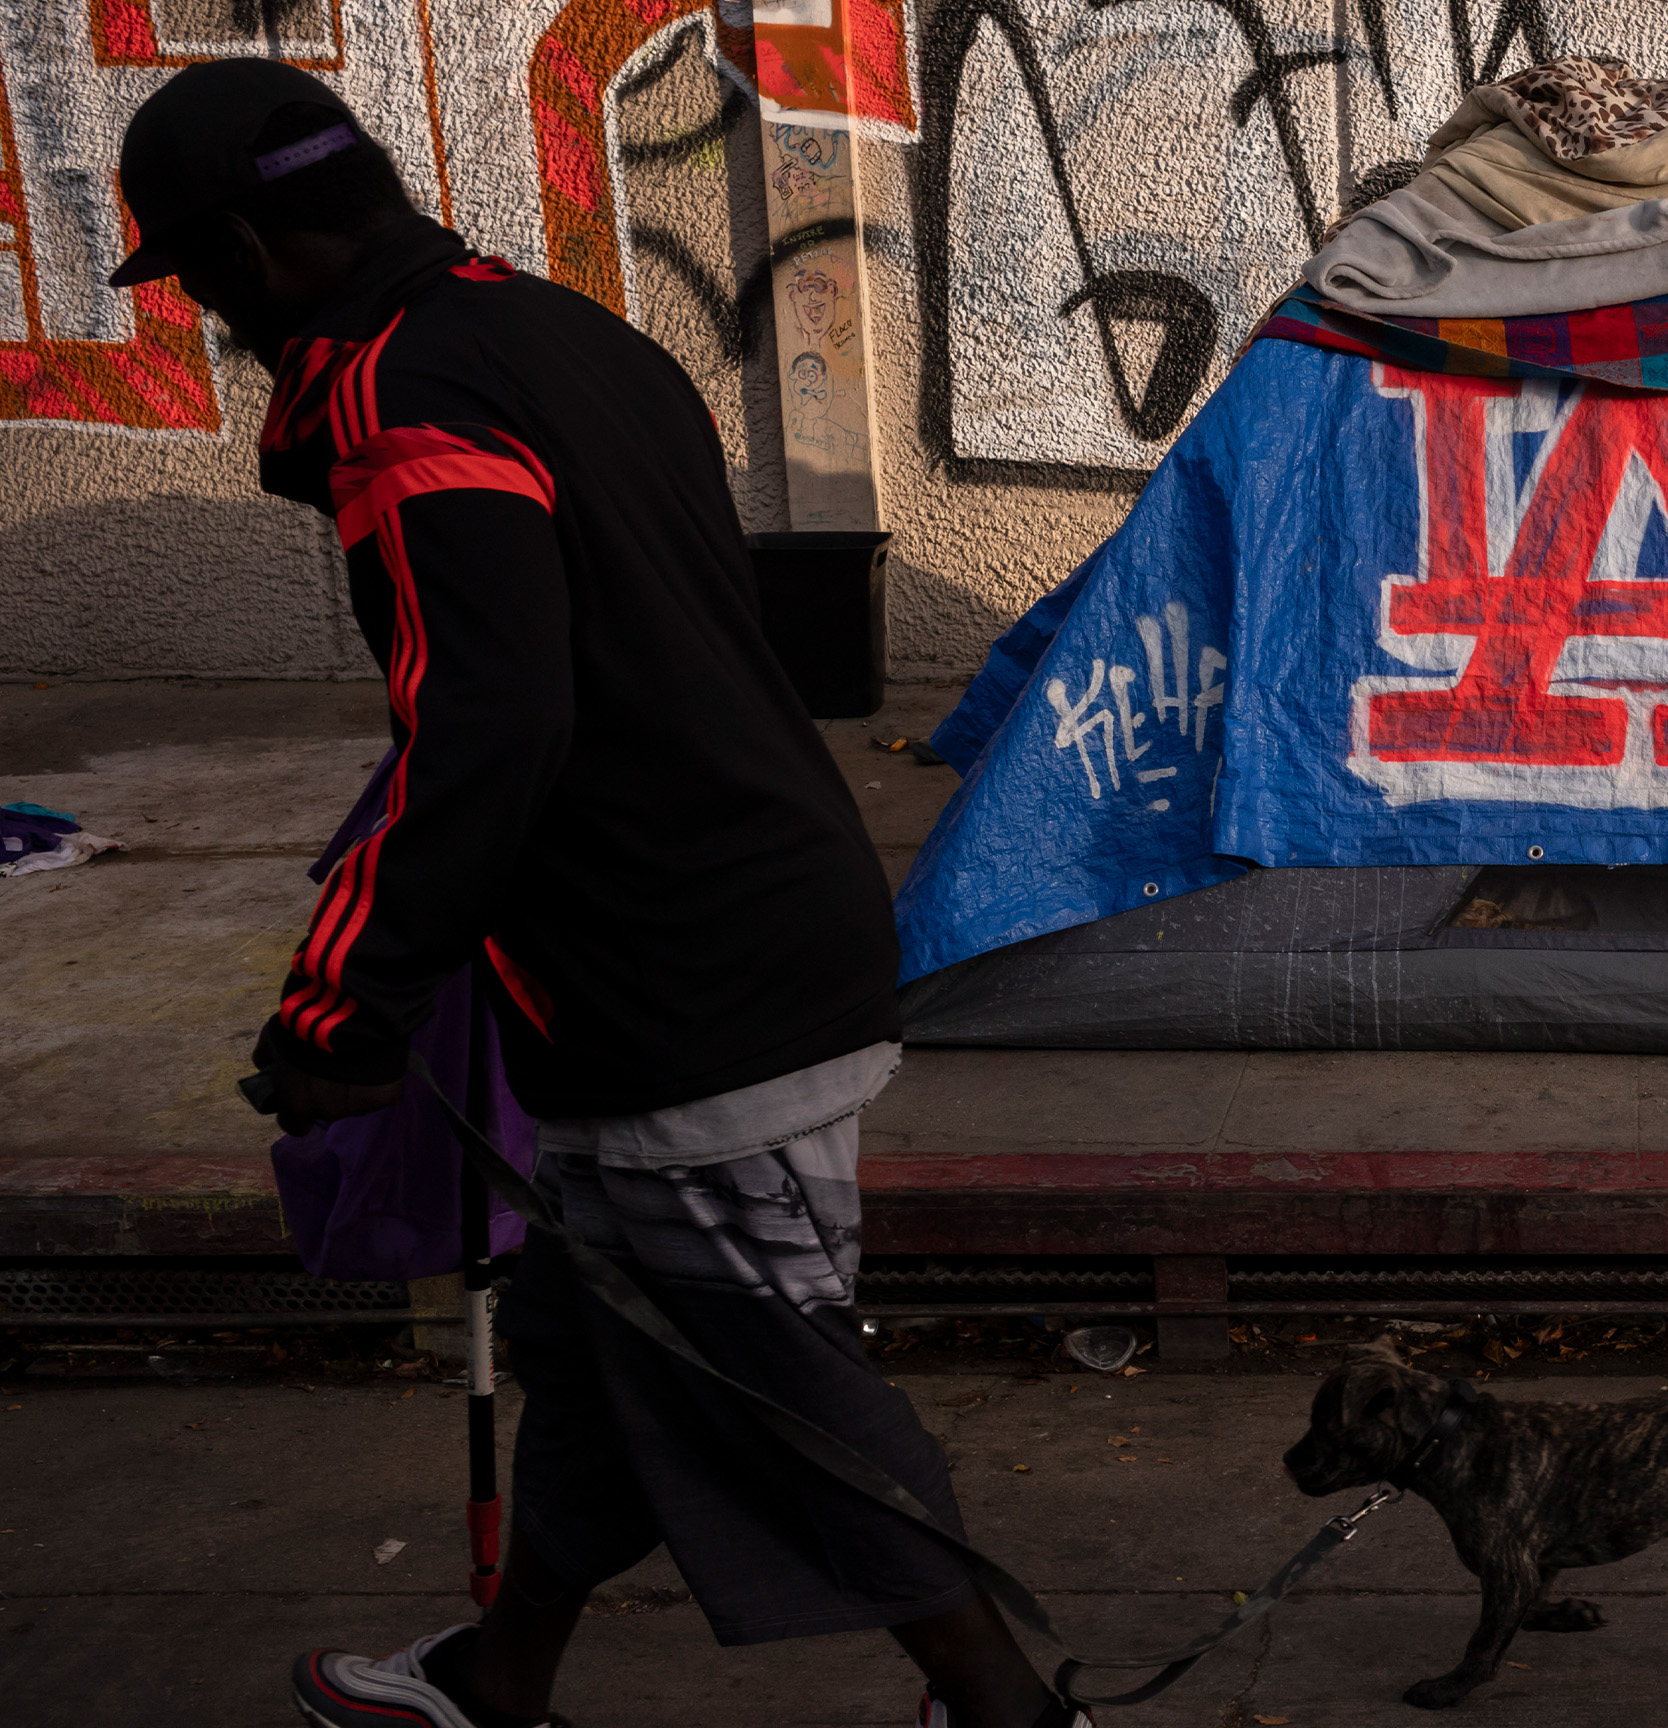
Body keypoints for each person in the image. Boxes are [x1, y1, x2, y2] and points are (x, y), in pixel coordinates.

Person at [107, 59, 1082, 1728]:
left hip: (685, 988)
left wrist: (349, 1002)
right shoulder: (560, 332)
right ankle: (500, 1679)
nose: (211, 317)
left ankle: (998, 1701)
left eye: (198, 280)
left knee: (761, 1376)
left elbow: (487, 726)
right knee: (591, 1350)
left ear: (259, 253)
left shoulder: (409, 397)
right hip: (713, 938)